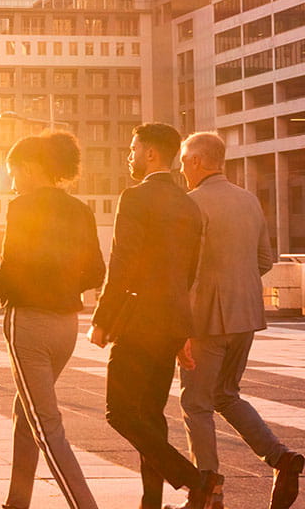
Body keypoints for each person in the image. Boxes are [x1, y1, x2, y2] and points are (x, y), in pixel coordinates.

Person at [0, 132, 103, 509]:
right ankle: (17, 502)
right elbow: (95, 272)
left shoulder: (23, 207)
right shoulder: (80, 210)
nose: (11, 182)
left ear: (29, 167)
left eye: (12, 172)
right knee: (27, 413)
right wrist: (59, 280)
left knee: (46, 425)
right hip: (66, 327)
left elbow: (11, 275)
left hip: (29, 325)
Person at [88, 122, 211, 509]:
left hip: (139, 320)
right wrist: (182, 330)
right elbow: (188, 274)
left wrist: (102, 318)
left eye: (134, 148)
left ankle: (198, 481)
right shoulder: (189, 205)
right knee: (150, 416)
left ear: (151, 154)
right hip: (173, 321)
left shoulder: (135, 198)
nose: (130, 155)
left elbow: (121, 264)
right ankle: (150, 502)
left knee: (120, 413)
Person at [177, 132, 303, 509]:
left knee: (196, 404)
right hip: (246, 316)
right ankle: (280, 458)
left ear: (198, 161)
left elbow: (185, 272)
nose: (181, 168)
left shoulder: (191, 204)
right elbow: (264, 260)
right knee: (226, 395)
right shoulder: (249, 200)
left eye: (184, 161)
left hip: (204, 321)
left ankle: (209, 491)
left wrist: (180, 327)